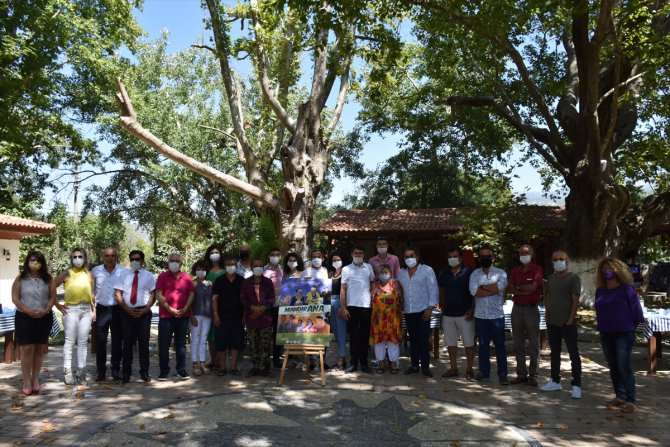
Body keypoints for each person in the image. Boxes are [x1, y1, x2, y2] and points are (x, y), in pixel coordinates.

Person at [594, 257, 644, 413]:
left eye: (610, 268)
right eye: (604, 269)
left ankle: (631, 399)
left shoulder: (627, 289)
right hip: (606, 332)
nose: (607, 271)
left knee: (624, 365)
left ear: (618, 270)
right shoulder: (600, 291)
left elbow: (637, 313)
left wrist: (634, 329)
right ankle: (620, 395)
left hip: (624, 333)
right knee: (613, 365)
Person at [11, 251, 56, 395]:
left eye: (37, 260)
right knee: (27, 349)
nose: (34, 262)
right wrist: (28, 311)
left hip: (44, 317)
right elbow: (15, 298)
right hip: (24, 317)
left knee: (39, 349)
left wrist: (46, 310)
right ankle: (26, 380)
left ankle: (35, 379)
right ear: (27, 262)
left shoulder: (48, 279)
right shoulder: (20, 279)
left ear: (42, 263)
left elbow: (52, 297)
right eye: (32, 260)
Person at [541, 250, 582, 398]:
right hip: (553, 321)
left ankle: (576, 385)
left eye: (561, 259)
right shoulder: (550, 278)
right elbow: (548, 296)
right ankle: (555, 380)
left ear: (567, 260)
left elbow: (575, 299)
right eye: (555, 259)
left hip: (567, 321)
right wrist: (547, 313)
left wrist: (571, 317)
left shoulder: (573, 278)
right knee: (555, 353)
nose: (558, 261)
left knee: (573, 354)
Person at [469, 245, 509, 385]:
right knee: (483, 345)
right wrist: (492, 289)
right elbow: (474, 292)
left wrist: (483, 288)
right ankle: (484, 372)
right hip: (480, 316)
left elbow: (500, 287)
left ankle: (503, 373)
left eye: (488, 256)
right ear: (479, 258)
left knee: (500, 346)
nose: (485, 258)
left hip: (497, 316)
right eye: (483, 256)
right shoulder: (474, 274)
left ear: (493, 257)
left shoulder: (501, 273)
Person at [54, 248, 95, 385]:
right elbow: (51, 287)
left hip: (86, 310)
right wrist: (57, 305)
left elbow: (92, 294)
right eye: (75, 256)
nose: (77, 258)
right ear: (71, 258)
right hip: (71, 310)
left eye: (80, 256)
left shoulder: (89, 275)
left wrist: (93, 309)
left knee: (83, 342)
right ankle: (67, 371)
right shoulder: (66, 274)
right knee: (70, 341)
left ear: (85, 257)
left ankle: (81, 372)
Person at [115, 250, 156, 383]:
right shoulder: (122, 275)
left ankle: (144, 372)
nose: (135, 261)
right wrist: (127, 309)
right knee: (127, 344)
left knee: (144, 344)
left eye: (137, 259)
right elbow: (118, 294)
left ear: (142, 261)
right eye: (132, 259)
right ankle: (126, 372)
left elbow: (153, 294)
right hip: (127, 313)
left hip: (143, 313)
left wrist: (146, 309)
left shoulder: (149, 276)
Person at [398, 247, 439, 378]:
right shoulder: (401, 272)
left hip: (423, 310)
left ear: (417, 256)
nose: (409, 258)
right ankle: (414, 365)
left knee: (424, 340)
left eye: (411, 255)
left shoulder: (427, 270)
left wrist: (430, 308)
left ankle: (426, 367)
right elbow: (398, 289)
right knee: (413, 340)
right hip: (409, 311)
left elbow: (434, 289)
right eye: (406, 256)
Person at [507, 244, 543, 386]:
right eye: (521, 252)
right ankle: (521, 374)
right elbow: (510, 288)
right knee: (518, 343)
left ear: (532, 254)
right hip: (517, 309)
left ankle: (533, 375)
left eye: (526, 252)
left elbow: (533, 288)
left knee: (534, 343)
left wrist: (518, 287)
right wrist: (524, 290)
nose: (523, 255)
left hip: (531, 310)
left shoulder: (537, 269)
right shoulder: (515, 271)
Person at [155, 253, 195, 381]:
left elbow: (191, 294)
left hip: (183, 316)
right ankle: (163, 370)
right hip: (166, 316)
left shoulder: (187, 278)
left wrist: (186, 308)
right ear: (168, 262)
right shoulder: (162, 276)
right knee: (164, 344)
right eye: (171, 260)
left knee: (181, 344)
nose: (174, 263)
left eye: (177, 261)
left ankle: (181, 369)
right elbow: (159, 295)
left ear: (181, 263)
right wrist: (170, 309)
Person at [438, 247, 475, 380]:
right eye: (450, 256)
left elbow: (474, 293)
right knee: (450, 343)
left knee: (469, 343)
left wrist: (472, 309)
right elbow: (441, 290)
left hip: (465, 314)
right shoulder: (444, 273)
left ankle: (469, 370)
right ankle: (454, 368)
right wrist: (442, 306)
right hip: (448, 314)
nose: (452, 259)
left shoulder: (469, 272)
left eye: (455, 256)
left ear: (461, 258)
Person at [91, 247, 127, 382]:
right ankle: (101, 371)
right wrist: (93, 310)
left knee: (117, 342)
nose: (109, 258)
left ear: (116, 256)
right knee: (100, 343)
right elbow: (92, 292)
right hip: (101, 309)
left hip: (118, 310)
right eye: (107, 255)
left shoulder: (123, 271)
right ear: (103, 257)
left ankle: (115, 370)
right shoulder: (96, 271)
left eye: (112, 255)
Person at [338, 245, 375, 374]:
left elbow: (373, 283)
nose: (358, 255)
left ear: (363, 255)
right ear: (352, 254)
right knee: (353, 337)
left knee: (365, 337)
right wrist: (343, 307)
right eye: (356, 253)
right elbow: (343, 289)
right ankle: (354, 363)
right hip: (351, 307)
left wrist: (371, 297)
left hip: (366, 307)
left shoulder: (368, 267)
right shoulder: (346, 269)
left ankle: (364, 363)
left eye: (360, 253)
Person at [240, 258, 276, 377]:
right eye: (255, 266)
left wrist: (262, 308)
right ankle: (255, 367)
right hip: (251, 318)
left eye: (260, 265)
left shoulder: (268, 282)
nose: (258, 268)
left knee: (265, 344)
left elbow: (271, 298)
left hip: (265, 318)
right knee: (253, 344)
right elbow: (243, 298)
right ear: (251, 267)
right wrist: (252, 307)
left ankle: (264, 368)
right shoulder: (246, 282)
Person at [212, 257, 245, 376]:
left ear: (236, 266)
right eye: (228, 264)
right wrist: (215, 315)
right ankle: (222, 367)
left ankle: (233, 367)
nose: (231, 266)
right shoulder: (219, 280)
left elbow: (245, 299)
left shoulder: (242, 280)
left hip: (238, 317)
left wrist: (245, 314)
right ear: (224, 267)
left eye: (233, 264)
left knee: (236, 343)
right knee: (221, 344)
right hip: (222, 317)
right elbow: (214, 298)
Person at [369, 264, 404, 374]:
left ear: (390, 273)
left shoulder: (396, 285)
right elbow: (370, 301)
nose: (384, 274)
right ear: (378, 275)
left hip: (392, 320)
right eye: (382, 272)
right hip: (378, 320)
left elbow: (401, 300)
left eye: (386, 272)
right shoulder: (374, 286)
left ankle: (394, 363)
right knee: (379, 343)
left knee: (393, 343)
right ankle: (381, 363)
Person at [204, 243, 225, 370]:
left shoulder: (224, 271)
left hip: (220, 306)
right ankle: (212, 360)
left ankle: (219, 361)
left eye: (216, 252)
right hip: (206, 306)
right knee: (209, 335)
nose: (214, 255)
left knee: (219, 334)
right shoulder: (205, 270)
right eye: (211, 253)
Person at [190, 260, 213, 376]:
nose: (200, 271)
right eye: (198, 269)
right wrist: (191, 316)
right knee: (195, 338)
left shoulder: (209, 284)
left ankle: (202, 363)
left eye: (203, 269)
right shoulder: (192, 284)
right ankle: (194, 364)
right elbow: (188, 302)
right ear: (195, 270)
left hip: (207, 316)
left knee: (204, 339)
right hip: (196, 315)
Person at [263, 248, 284, 369]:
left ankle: (276, 362)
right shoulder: (263, 270)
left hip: (279, 307)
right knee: (266, 334)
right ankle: (264, 362)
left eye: (277, 255)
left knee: (278, 335)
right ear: (268, 255)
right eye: (272, 254)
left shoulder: (282, 270)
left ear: (280, 256)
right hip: (266, 307)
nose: (275, 256)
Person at [329, 251, 348, 370]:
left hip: (339, 303)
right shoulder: (330, 273)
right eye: (334, 260)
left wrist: (343, 306)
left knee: (341, 332)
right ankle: (341, 356)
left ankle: (342, 358)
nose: (336, 262)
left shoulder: (345, 272)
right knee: (335, 332)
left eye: (338, 259)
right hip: (328, 303)